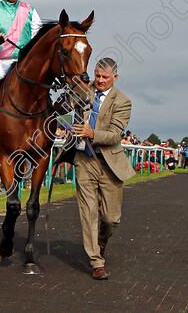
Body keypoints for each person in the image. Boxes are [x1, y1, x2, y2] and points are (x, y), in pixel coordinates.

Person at [71, 58, 134, 281]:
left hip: (109, 164)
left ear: (114, 78)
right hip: (83, 160)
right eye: (97, 75)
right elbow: (64, 102)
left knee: (111, 218)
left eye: (104, 77)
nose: (99, 80)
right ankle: (96, 262)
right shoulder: (82, 90)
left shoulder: (123, 102)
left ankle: (102, 242)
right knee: (88, 212)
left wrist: (92, 134)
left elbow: (116, 135)